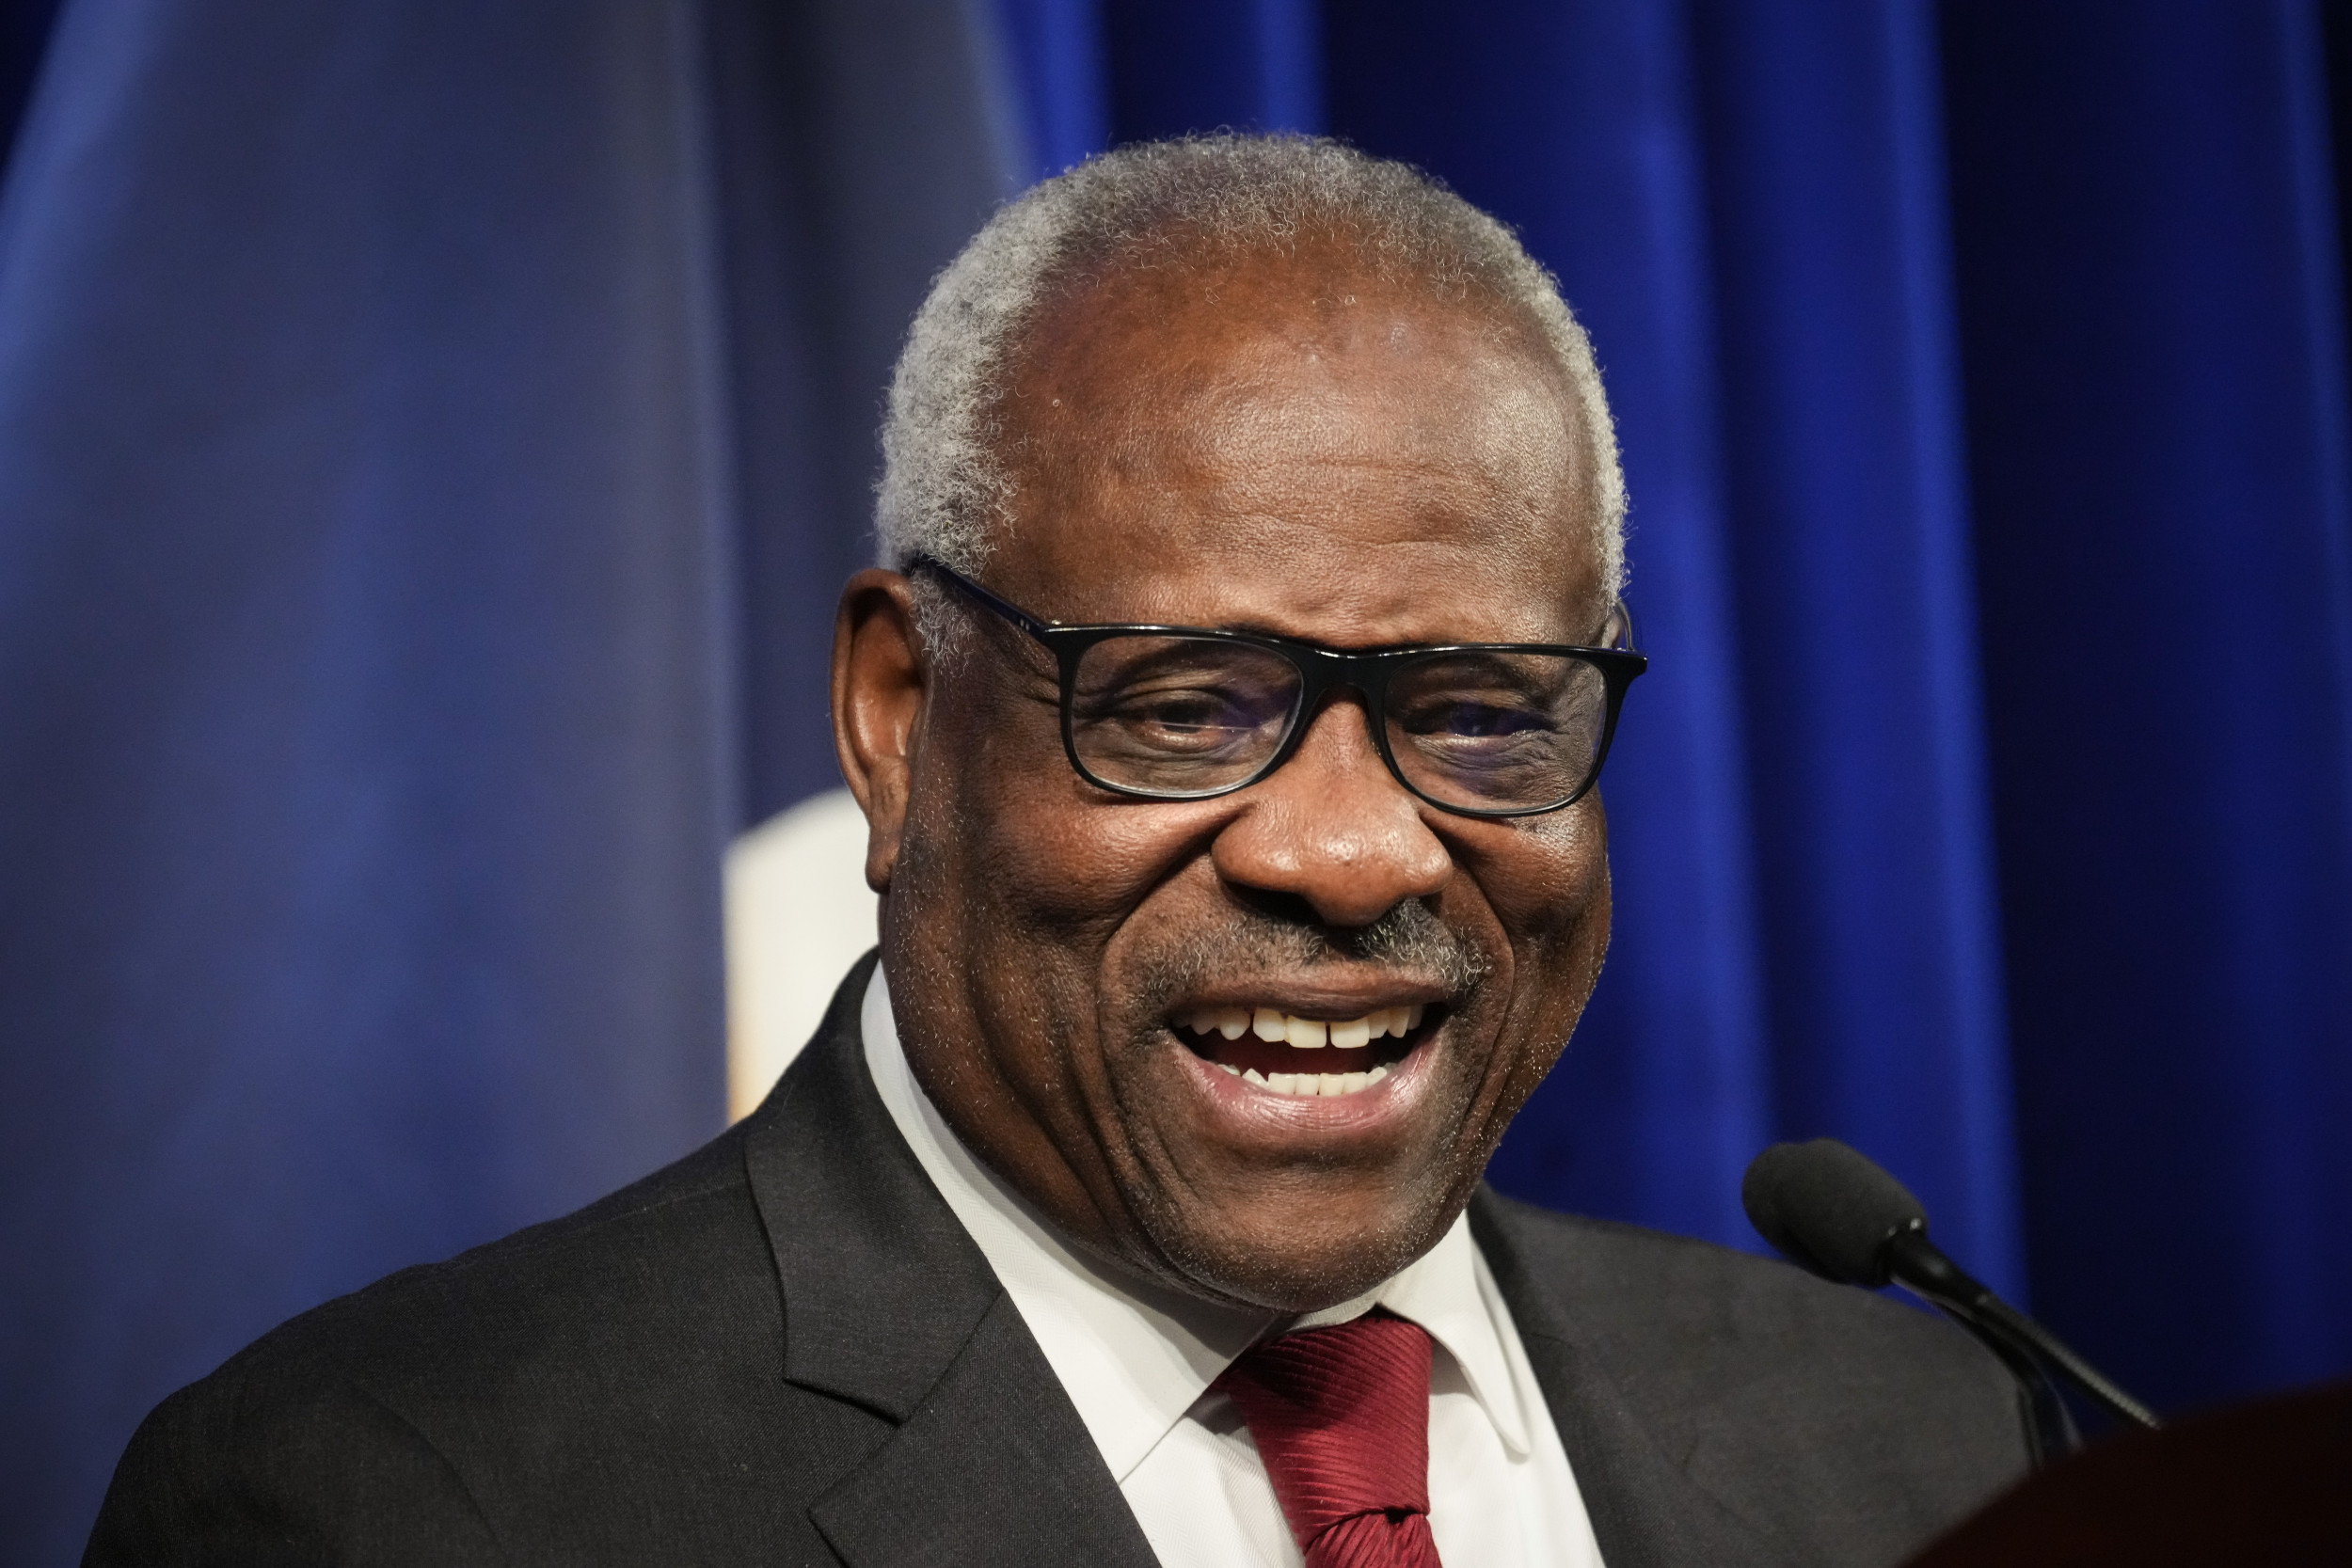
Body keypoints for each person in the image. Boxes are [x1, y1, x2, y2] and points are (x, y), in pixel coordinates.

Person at [87, 135, 2028, 1568]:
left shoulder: (1920, 1452)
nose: (1353, 852)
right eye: (1184, 705)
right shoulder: (403, 1504)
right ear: (897, 718)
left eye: (1472, 712)